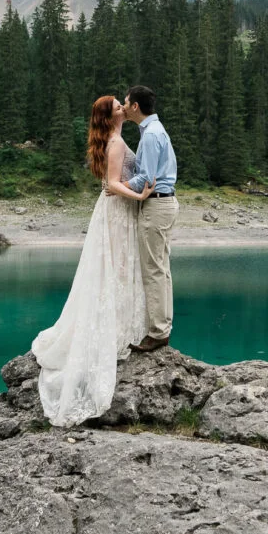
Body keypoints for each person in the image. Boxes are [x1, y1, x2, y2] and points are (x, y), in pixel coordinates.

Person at [31, 95, 153, 427]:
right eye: (117, 105)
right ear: (109, 115)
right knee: (114, 269)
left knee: (117, 269)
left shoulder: (115, 138)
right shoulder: (114, 143)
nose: (122, 108)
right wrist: (140, 194)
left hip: (116, 210)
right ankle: (111, 332)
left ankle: (120, 327)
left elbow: (114, 183)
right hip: (116, 212)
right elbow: (112, 184)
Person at [121, 85, 179, 352]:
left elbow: (147, 178)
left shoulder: (151, 135)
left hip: (156, 206)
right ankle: (161, 328)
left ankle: (157, 333)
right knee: (161, 269)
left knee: (154, 270)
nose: (122, 106)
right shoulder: (152, 131)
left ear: (135, 107)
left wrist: (117, 186)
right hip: (162, 204)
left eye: (125, 102)